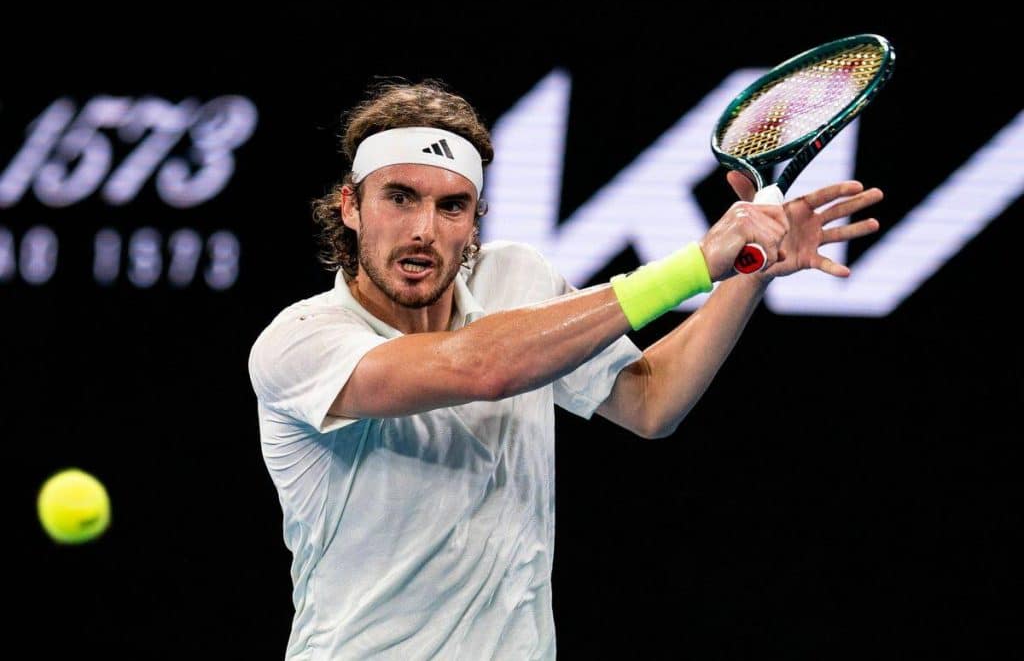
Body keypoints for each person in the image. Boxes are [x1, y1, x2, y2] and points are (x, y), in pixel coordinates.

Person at [247, 79, 883, 660]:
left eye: (452, 207)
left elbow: (651, 401)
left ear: (474, 220)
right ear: (351, 206)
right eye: (399, 198)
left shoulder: (517, 277)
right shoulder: (301, 342)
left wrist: (749, 272)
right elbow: (482, 367)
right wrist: (694, 265)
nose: (423, 230)